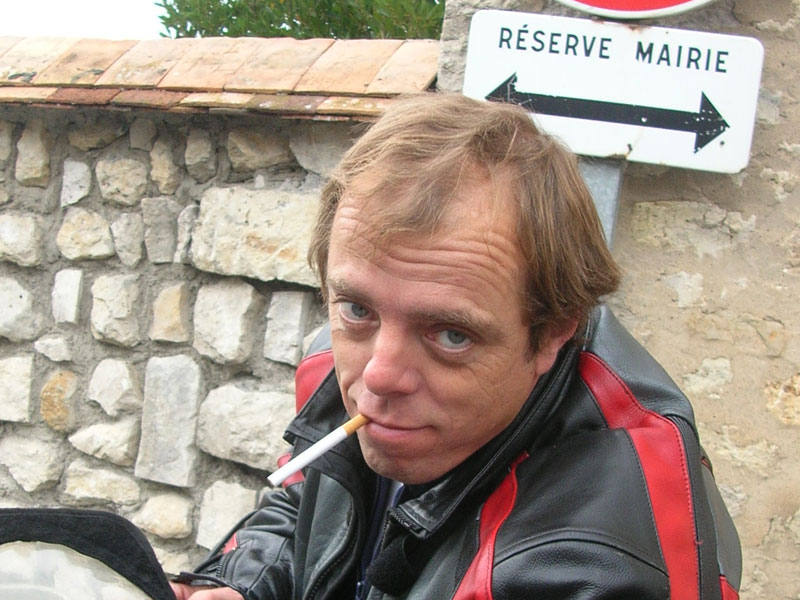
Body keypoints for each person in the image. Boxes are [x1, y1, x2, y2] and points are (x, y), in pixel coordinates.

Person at [170, 93, 741, 600]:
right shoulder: (333, 357)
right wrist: (241, 585)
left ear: (551, 333)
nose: (379, 375)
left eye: (451, 335)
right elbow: (309, 501)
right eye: (358, 308)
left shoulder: (599, 568)